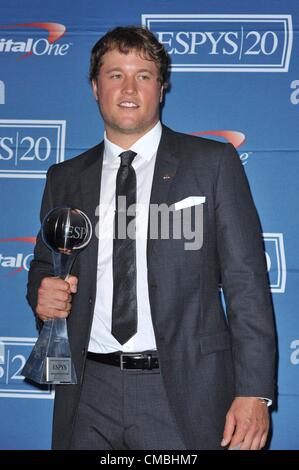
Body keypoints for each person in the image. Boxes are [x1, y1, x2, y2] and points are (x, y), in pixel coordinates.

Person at [27, 26, 276, 450]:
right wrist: (42, 293)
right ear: (95, 87)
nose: (128, 87)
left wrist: (253, 391)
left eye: (143, 75)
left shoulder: (212, 164)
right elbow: (45, 266)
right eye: (114, 74)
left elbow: (246, 283)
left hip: (182, 391)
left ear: (161, 88)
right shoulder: (65, 178)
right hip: (88, 393)